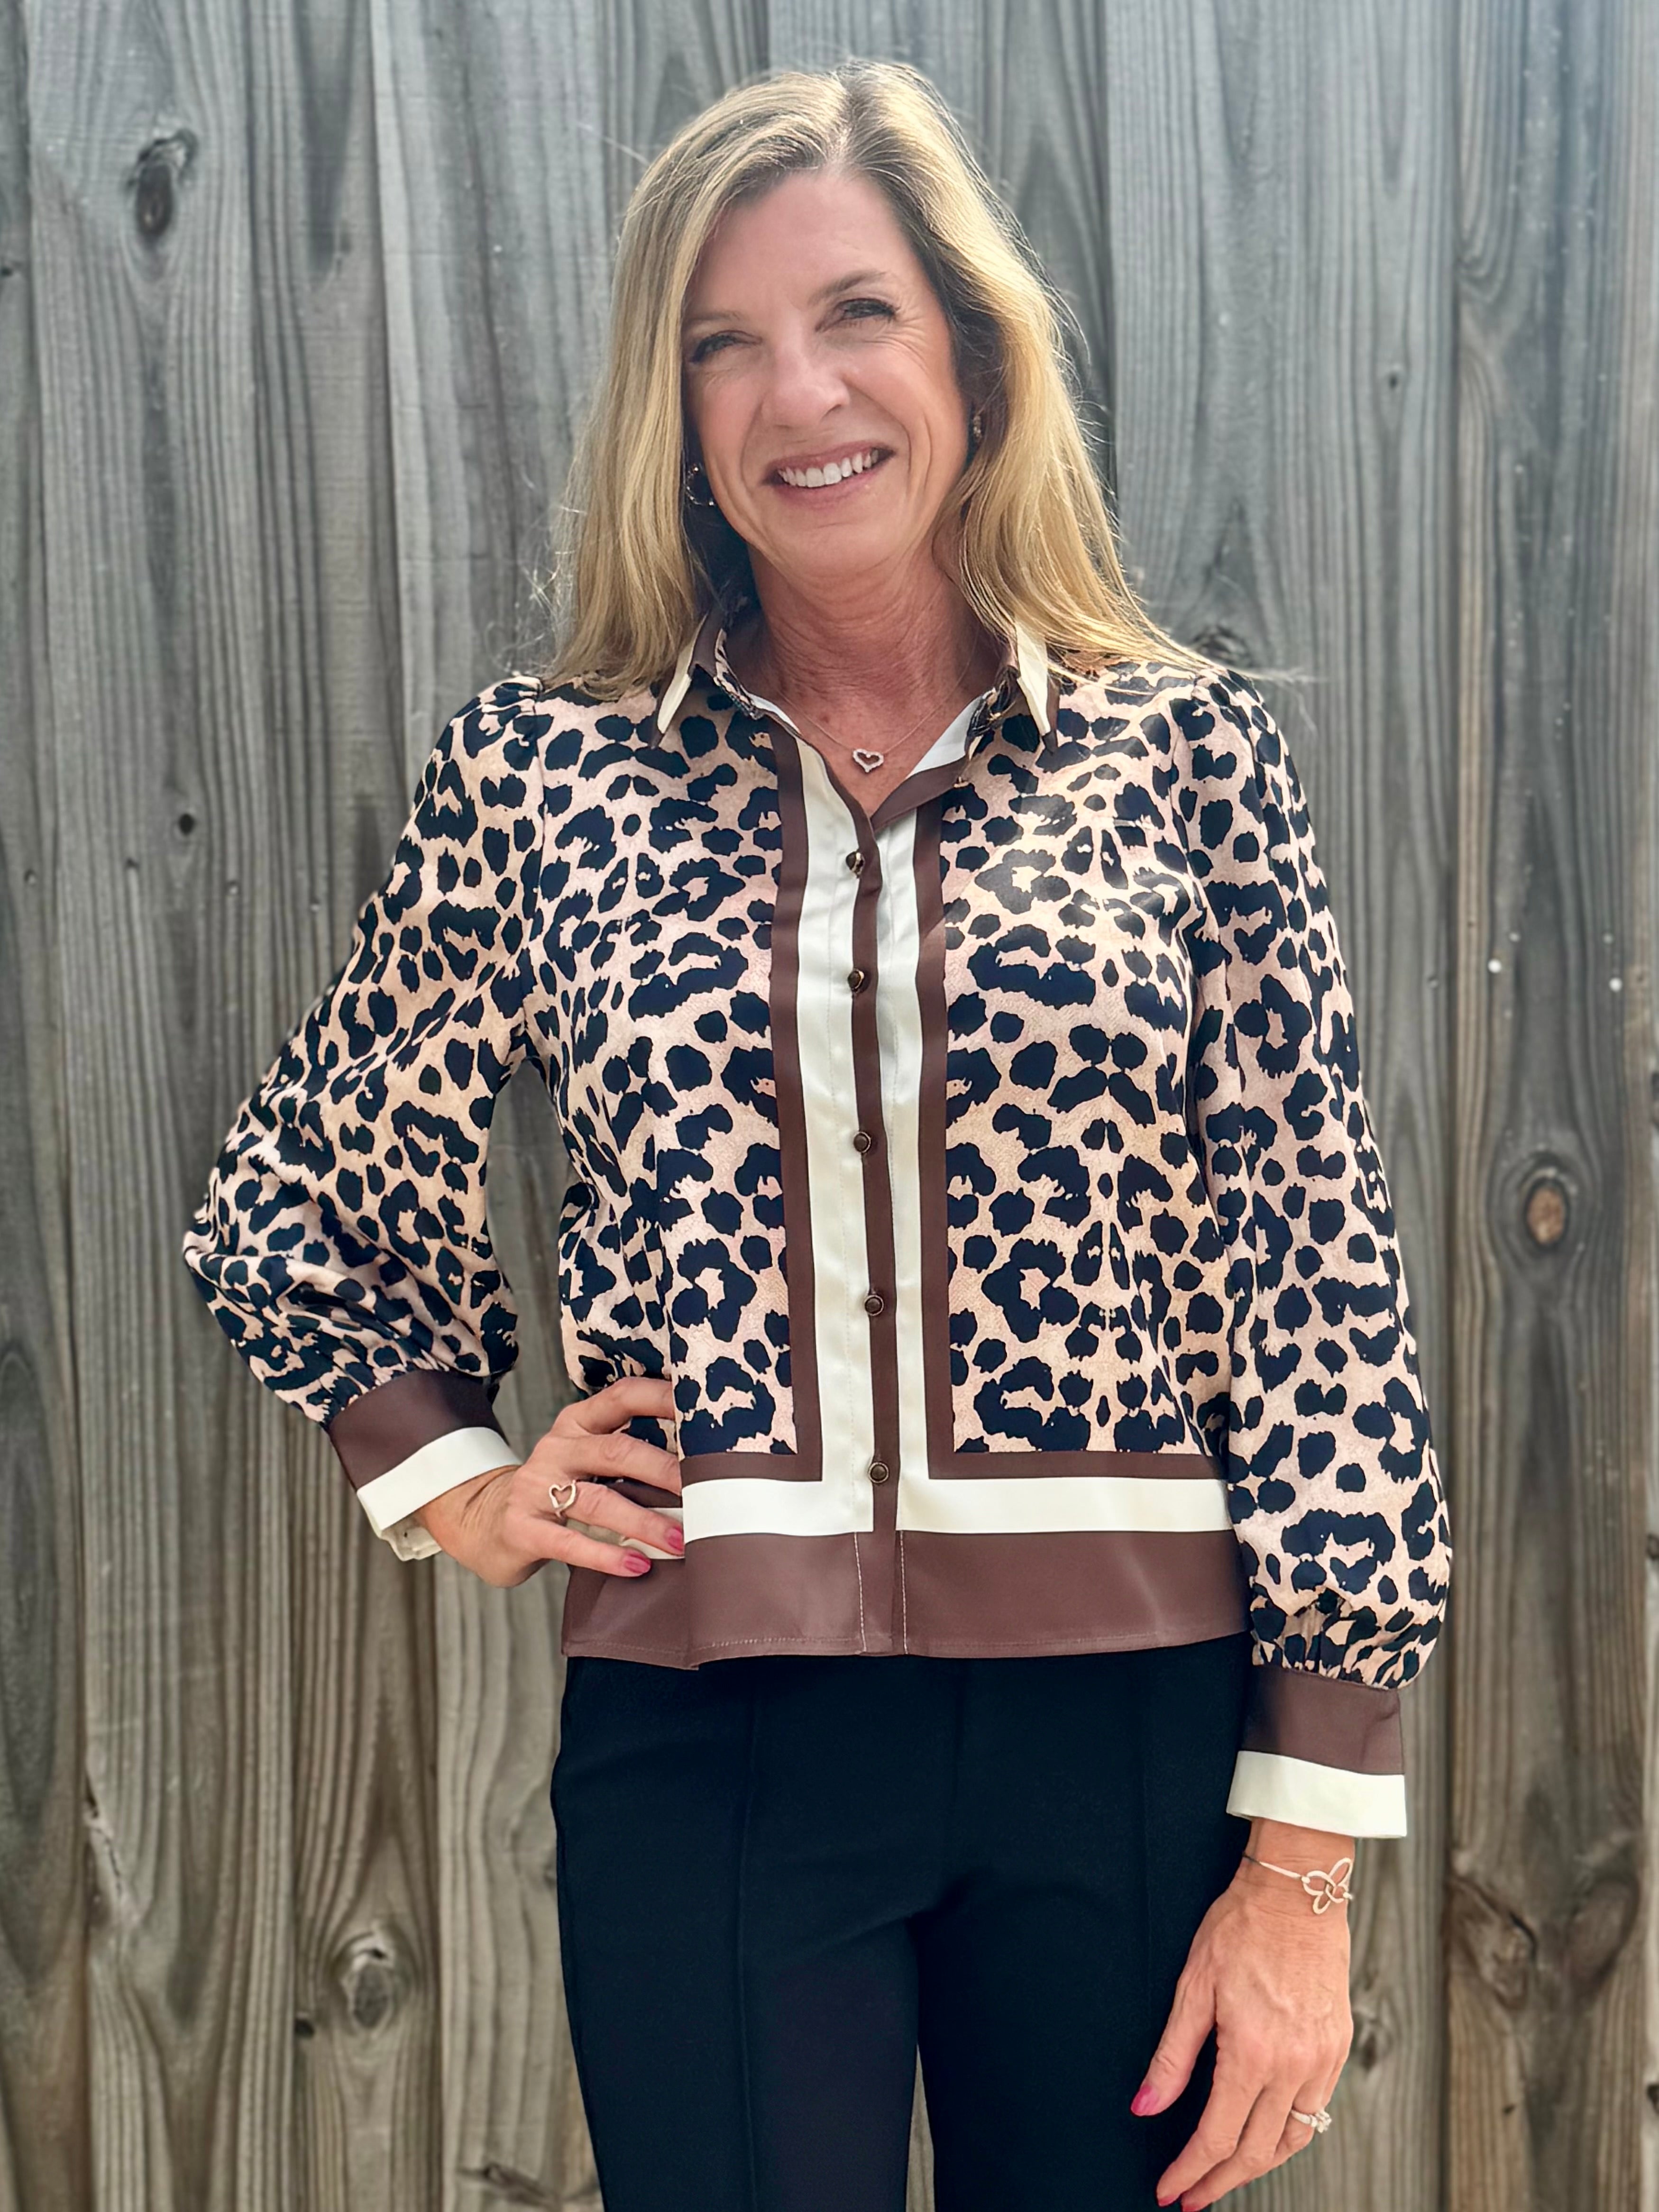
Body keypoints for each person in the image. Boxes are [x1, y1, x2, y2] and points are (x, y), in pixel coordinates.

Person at [183, 59, 1451, 2212]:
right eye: (725, 344)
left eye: (855, 312)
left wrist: (1304, 1867)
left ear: (969, 352)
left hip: (1125, 1733)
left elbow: (1317, 1291)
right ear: (673, 410)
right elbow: (298, 1195)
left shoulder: (1183, 758)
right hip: (716, 1733)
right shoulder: (549, 772)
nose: (800, 393)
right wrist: (464, 1484)